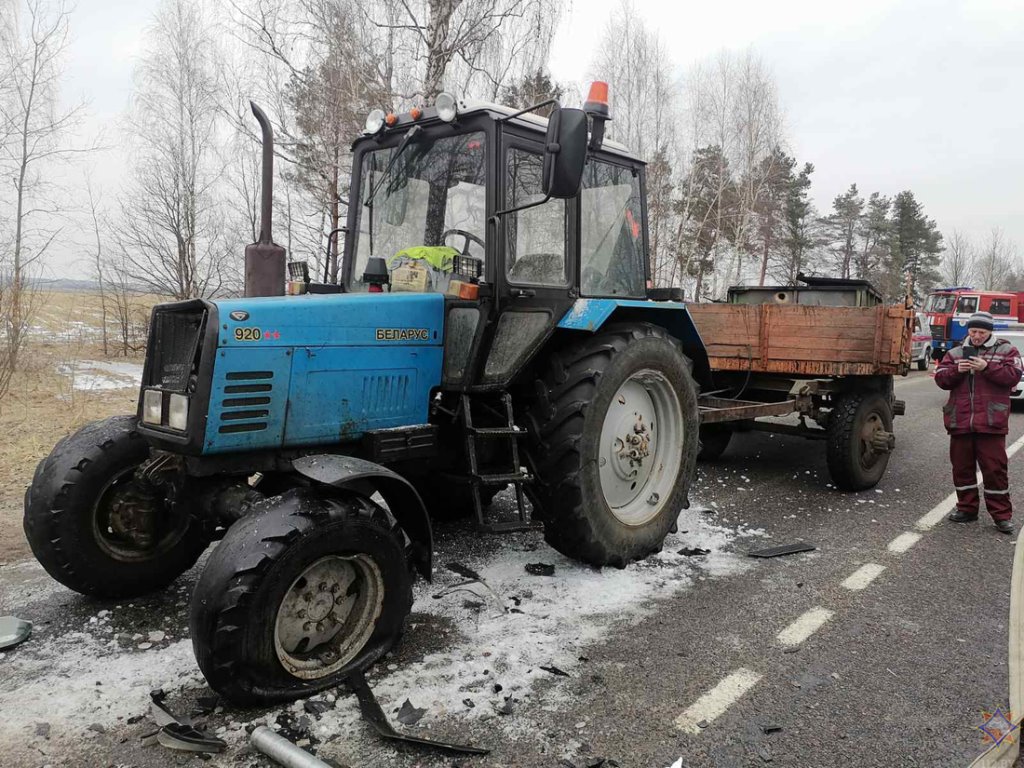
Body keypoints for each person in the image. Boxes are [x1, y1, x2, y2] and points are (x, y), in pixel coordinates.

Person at [935, 311, 1022, 533]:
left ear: (990, 331)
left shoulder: (1006, 350)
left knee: (995, 470)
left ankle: (1002, 516)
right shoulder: (955, 352)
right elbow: (941, 379)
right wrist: (957, 370)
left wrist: (986, 367)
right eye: (973, 331)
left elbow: (1013, 376)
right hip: (960, 420)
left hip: (992, 421)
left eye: (981, 332)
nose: (976, 336)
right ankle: (967, 509)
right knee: (962, 469)